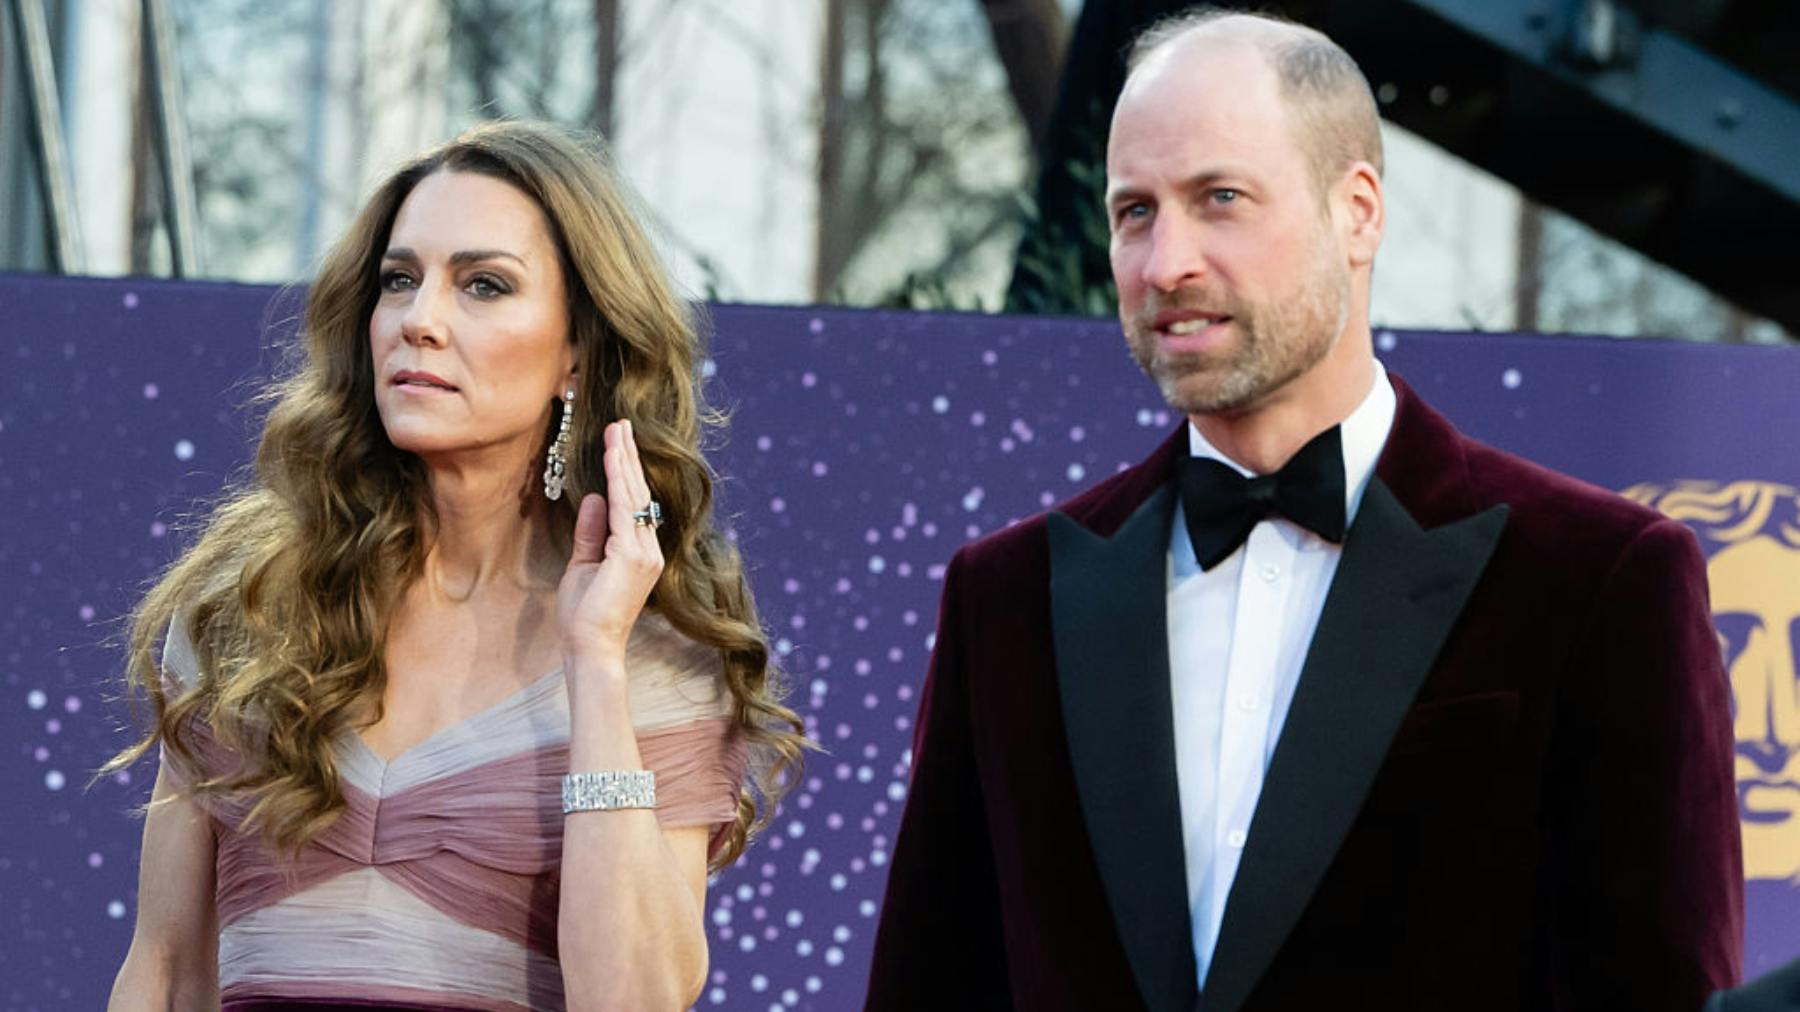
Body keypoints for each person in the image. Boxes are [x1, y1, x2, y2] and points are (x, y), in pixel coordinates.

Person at [866, 9, 1741, 1011]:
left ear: (1358, 211)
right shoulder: (1010, 598)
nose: (1165, 263)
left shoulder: (1599, 576)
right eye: (1134, 212)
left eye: (1220, 198)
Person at [104, 121, 805, 1012]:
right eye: (400, 280)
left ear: (577, 354)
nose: (420, 321)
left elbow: (633, 998)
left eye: (483, 285)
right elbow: (165, 974)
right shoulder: (249, 613)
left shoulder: (652, 653)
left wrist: (594, 660)